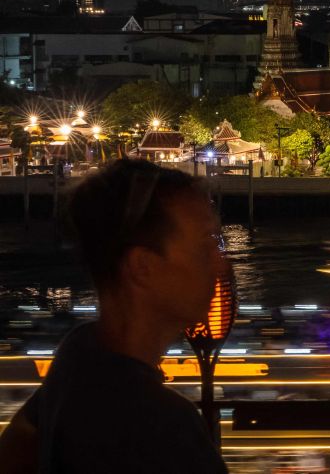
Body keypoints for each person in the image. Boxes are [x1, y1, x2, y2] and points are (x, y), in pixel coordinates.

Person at [0, 159, 230, 474]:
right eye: (206, 246)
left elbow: (17, 444)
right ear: (142, 267)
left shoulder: (78, 353)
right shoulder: (165, 426)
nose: (221, 265)